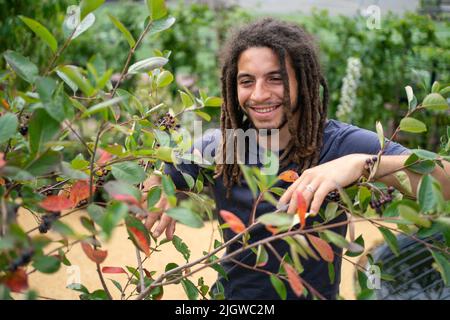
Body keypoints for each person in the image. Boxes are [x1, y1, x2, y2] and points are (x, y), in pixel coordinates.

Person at [143, 18, 450, 300]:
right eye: (246, 81)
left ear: (303, 82)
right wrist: (160, 184)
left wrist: (361, 164)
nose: (259, 95)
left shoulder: (340, 145)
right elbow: (159, 173)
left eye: (275, 79)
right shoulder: (220, 148)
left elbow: (445, 181)